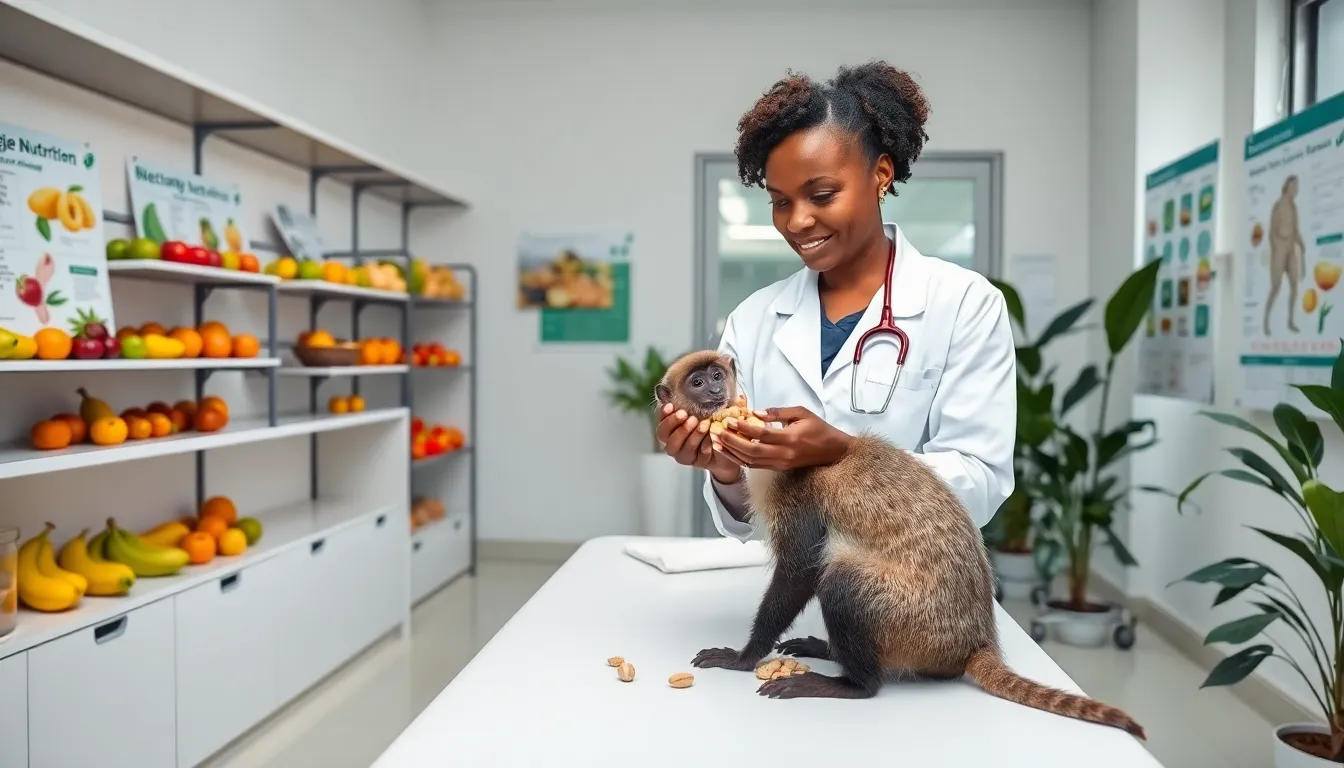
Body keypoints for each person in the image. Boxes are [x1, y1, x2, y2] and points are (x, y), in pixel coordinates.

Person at [655, 61, 1016, 541]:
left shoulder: (965, 304)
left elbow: (981, 484)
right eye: (780, 202)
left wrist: (843, 453)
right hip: (790, 589)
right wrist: (725, 469)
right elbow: (750, 521)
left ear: (881, 174)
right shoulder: (754, 319)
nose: (797, 222)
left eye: (821, 195)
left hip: (910, 591)